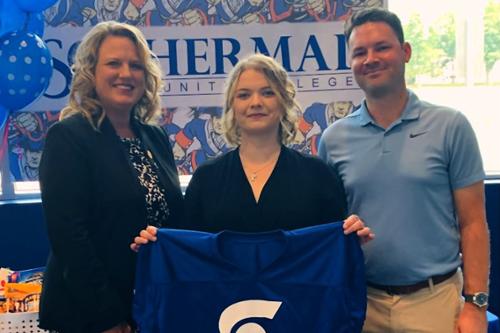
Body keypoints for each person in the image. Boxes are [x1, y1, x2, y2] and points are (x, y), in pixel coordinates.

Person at [318, 8, 490, 333]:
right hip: (361, 304)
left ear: (406, 52)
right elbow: (330, 227)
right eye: (359, 52)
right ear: (351, 62)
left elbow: (473, 224)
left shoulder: (451, 126)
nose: (371, 59)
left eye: (381, 47)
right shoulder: (333, 139)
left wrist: (476, 304)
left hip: (435, 302)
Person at [132, 53, 373, 246]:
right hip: (224, 307)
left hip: (299, 306)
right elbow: (184, 251)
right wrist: (156, 246)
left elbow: (334, 250)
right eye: (244, 95)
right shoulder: (207, 179)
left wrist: (351, 237)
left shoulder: (318, 175)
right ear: (232, 107)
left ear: (283, 102)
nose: (255, 102)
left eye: (267, 93)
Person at [38, 21, 184, 333]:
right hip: (91, 315)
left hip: (149, 305)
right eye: (113, 63)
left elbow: (171, 220)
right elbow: (69, 237)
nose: (126, 74)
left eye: (135, 65)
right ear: (91, 72)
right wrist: (107, 317)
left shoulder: (155, 137)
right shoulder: (68, 136)